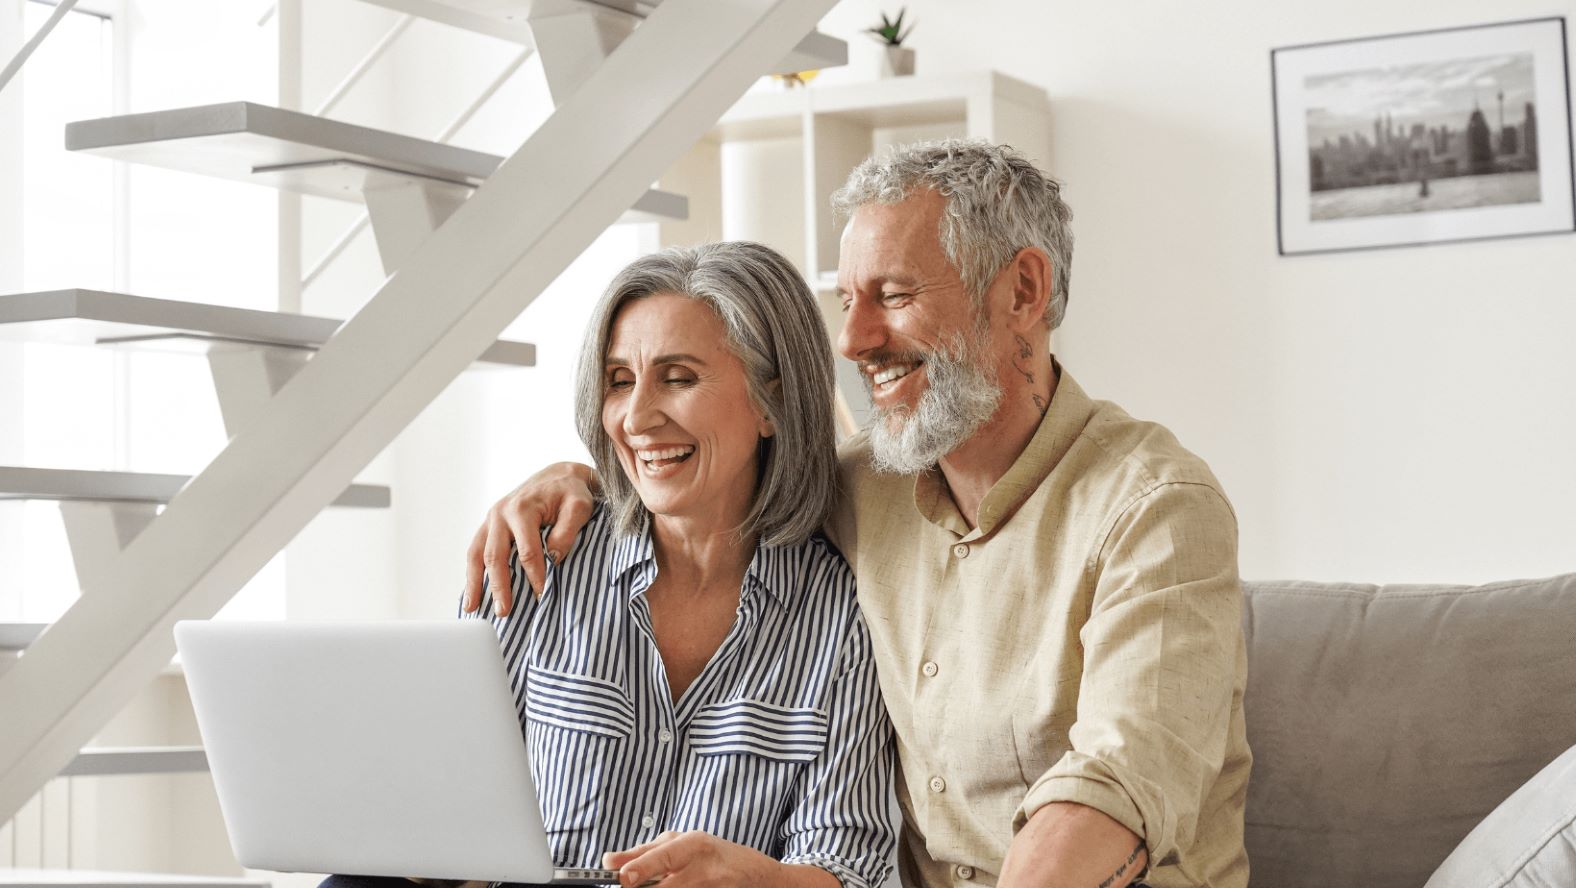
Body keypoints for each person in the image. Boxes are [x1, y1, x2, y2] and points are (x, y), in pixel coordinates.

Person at [465, 141, 1251, 888]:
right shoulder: (861, 490)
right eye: (847, 301)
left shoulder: (1158, 511)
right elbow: (714, 475)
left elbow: (1108, 791)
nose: (853, 339)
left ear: (1023, 292)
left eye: (895, 296)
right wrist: (577, 480)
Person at [328, 242, 897, 888]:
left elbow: (848, 867)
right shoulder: (537, 560)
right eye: (620, 380)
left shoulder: (843, 615)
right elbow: (428, 805)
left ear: (771, 402)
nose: (636, 417)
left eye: (678, 378)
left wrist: (755, 879)